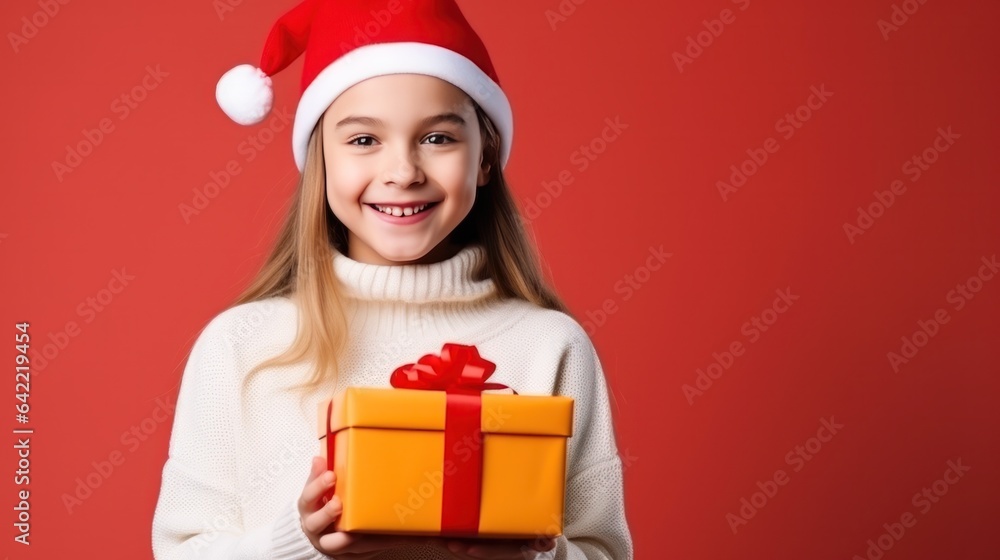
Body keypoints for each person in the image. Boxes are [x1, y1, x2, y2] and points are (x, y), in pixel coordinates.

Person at [151, 0, 633, 558]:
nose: (402, 171)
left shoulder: (552, 347)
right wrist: (299, 542)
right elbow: (182, 550)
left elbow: (603, 551)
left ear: (485, 156)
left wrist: (534, 554)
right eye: (363, 140)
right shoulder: (240, 346)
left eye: (437, 138)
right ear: (322, 159)